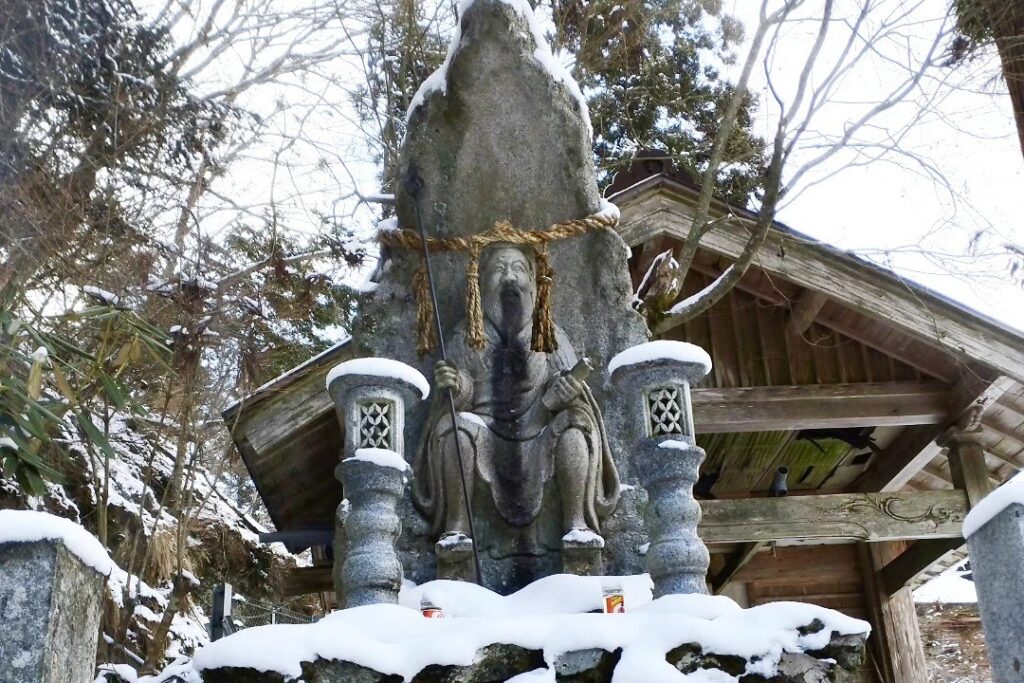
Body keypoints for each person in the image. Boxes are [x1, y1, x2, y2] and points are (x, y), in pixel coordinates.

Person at [411, 243, 619, 553]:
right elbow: (462, 390)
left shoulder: (548, 333)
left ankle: (576, 525)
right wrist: (456, 385)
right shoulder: (466, 335)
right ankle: (457, 528)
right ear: (480, 285)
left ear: (534, 283)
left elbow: (567, 386)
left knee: (576, 426)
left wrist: (567, 392)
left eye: (518, 269)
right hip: (484, 432)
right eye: (499, 269)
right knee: (453, 428)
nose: (509, 278)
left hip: (538, 435)